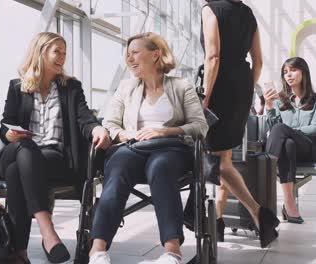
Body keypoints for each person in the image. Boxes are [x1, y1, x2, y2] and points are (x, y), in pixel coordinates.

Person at [88, 32, 208, 264]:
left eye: (135, 52)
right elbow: (110, 124)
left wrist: (165, 131)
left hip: (170, 149)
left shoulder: (181, 86)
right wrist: (126, 134)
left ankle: (172, 251)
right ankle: (97, 250)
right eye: (128, 54)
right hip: (132, 147)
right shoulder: (126, 88)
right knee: (118, 169)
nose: (130, 59)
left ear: (155, 55)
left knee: (161, 167)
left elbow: (200, 126)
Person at [0, 32, 110, 264]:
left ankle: (19, 253)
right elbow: (6, 123)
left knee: (16, 172)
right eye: (57, 51)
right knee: (24, 148)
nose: (62, 57)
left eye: (64, 53)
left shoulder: (71, 87)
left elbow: (84, 117)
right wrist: (7, 133)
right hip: (15, 150)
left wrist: (97, 129)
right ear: (40, 52)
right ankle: (48, 231)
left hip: (52, 158)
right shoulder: (17, 87)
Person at [200, 0, 279, 247]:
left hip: (219, 88)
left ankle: (259, 214)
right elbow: (259, 61)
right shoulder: (247, 13)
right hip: (242, 87)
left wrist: (204, 98)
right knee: (223, 160)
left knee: (219, 162)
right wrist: (246, 90)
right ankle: (219, 221)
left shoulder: (210, 9)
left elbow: (213, 56)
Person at [264, 57, 315, 224]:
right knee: (287, 143)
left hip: (308, 148)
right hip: (289, 150)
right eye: (285, 72)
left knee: (283, 131)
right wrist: (270, 106)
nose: (288, 75)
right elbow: (273, 129)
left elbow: (314, 128)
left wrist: (290, 131)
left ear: (304, 72)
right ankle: (289, 205)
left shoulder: (314, 100)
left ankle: (266, 170)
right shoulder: (281, 101)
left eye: (293, 70)